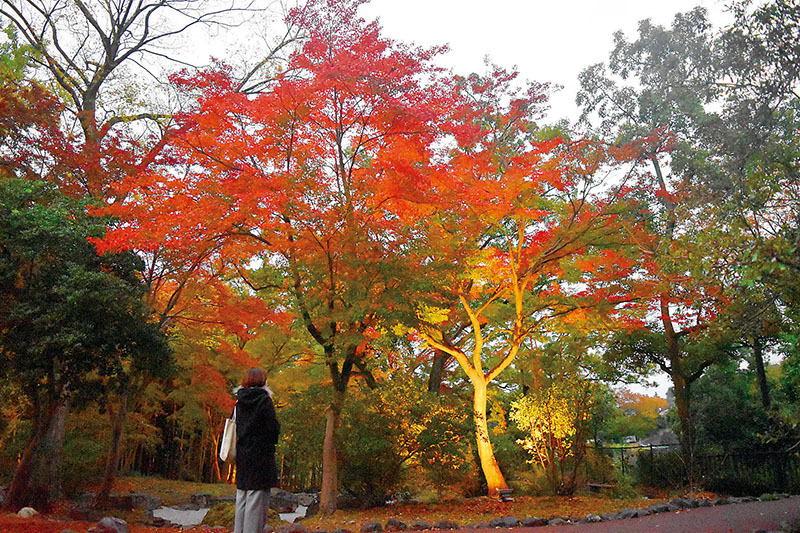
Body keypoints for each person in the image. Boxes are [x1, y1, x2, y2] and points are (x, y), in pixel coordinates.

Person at [234, 367, 280, 533]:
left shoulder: (239, 401)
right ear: (262, 381)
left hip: (243, 453)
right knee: (256, 498)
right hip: (261, 455)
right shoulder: (264, 401)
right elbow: (273, 429)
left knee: (242, 496)